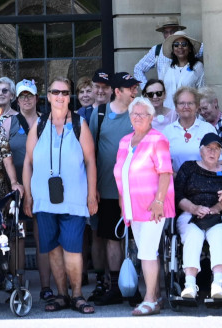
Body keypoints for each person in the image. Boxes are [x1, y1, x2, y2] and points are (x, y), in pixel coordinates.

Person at [22, 77, 97, 315]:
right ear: (49, 95)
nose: (60, 96)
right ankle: (61, 295)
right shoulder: (39, 125)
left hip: (74, 199)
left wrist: (92, 194)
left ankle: (77, 295)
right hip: (44, 199)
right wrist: (28, 196)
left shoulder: (79, 124)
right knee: (52, 249)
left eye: (65, 92)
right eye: (56, 91)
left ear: (69, 96)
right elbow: (28, 162)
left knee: (73, 249)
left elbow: (91, 162)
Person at [113, 98, 172, 317]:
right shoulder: (125, 141)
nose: (137, 117)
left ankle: (149, 299)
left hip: (152, 206)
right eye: (134, 114)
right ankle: (155, 297)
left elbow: (165, 172)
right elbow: (120, 174)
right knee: (147, 251)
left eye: (142, 114)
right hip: (132, 206)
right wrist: (122, 203)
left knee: (146, 252)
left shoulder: (158, 139)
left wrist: (158, 201)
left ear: (151, 117)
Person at [87, 71, 137, 306]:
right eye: (130, 88)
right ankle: (116, 286)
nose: (134, 91)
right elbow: (90, 153)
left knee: (136, 239)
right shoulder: (99, 113)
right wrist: (92, 186)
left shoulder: (139, 113)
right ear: (118, 91)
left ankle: (136, 286)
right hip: (106, 189)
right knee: (111, 239)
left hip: (136, 189)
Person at [173, 132, 222, 303]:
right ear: (200, 151)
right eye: (208, 148)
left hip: (219, 215)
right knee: (193, 235)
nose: (212, 152)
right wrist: (194, 208)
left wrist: (217, 207)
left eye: (216, 149)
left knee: (218, 235)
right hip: (190, 213)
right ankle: (190, 284)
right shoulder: (188, 168)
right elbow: (177, 195)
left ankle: (218, 284)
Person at [134, 28, 204, 98]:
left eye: (184, 44)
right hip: (168, 107)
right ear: (173, 50)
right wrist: (148, 91)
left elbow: (202, 92)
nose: (180, 47)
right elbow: (160, 91)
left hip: (188, 108)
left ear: (189, 48)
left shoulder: (198, 67)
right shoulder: (166, 67)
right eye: (176, 45)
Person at [163, 88, 214, 169]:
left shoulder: (208, 129)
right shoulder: (167, 132)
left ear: (197, 107)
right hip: (176, 180)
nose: (186, 107)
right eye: (182, 103)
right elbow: (162, 163)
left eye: (190, 103)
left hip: (203, 180)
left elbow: (218, 161)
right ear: (176, 107)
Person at [2, 80, 39, 165]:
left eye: (30, 95)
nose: (26, 99)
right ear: (18, 101)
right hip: (17, 176)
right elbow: (2, 155)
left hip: (41, 175)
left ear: (36, 98)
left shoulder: (46, 121)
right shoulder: (8, 123)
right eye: (22, 96)